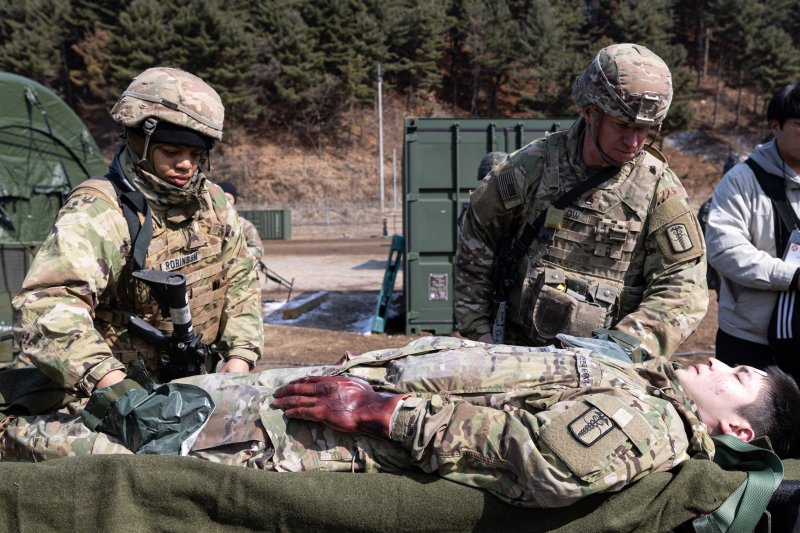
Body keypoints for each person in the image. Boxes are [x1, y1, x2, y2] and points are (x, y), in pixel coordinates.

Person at [0, 335, 798, 510]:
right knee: (91, 404)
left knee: (71, 445)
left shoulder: (653, 422)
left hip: (315, 430)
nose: (716, 366)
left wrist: (388, 410)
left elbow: (554, 463)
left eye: (737, 379)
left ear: (734, 431)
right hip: (312, 396)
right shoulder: (639, 376)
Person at [9, 67, 263, 415]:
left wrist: (237, 364)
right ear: (139, 140)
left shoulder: (213, 203)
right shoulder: (100, 211)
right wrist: (113, 385)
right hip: (116, 395)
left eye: (197, 153)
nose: (186, 165)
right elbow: (47, 306)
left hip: (201, 382)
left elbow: (240, 281)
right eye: (172, 151)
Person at [454, 43, 708, 359]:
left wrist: (621, 349)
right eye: (623, 126)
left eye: (645, 130)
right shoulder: (533, 167)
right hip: (515, 357)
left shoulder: (659, 190)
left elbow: (684, 288)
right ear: (591, 113)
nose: (633, 142)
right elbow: (476, 240)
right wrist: (479, 331)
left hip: (608, 371)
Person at [706, 83, 800, 371]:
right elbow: (725, 250)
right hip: (750, 340)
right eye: (799, 125)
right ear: (775, 126)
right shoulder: (742, 180)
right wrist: (792, 276)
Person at [217, 181, 264, 262]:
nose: (226, 202)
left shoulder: (244, 225)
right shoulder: (206, 222)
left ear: (234, 201)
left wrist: (236, 253)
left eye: (229, 199)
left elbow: (258, 250)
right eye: (222, 198)